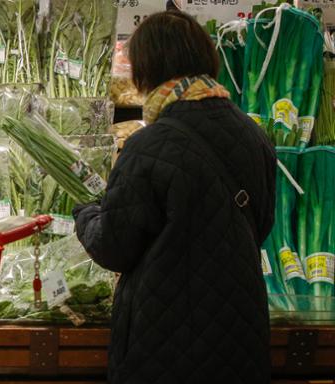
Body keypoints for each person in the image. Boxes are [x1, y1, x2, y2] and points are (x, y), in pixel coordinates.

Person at [73, 11, 276, 384]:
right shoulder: (254, 135)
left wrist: (86, 213)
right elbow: (261, 225)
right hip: (240, 332)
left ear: (147, 70)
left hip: (165, 338)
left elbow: (115, 246)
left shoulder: (148, 145)